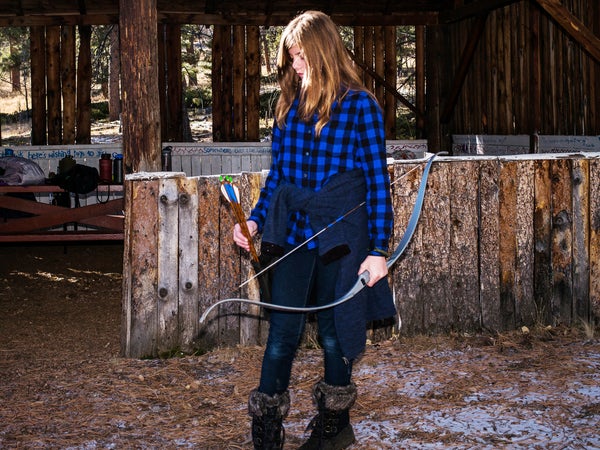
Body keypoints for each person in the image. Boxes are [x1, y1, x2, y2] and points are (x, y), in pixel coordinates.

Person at [233, 10, 396, 450]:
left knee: (333, 331)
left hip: (341, 238)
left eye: (301, 54)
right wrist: (254, 218)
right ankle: (266, 427)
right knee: (282, 333)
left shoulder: (360, 105)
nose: (294, 64)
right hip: (293, 234)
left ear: (322, 51)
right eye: (291, 55)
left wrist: (379, 249)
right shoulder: (287, 105)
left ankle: (334, 426)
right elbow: (278, 179)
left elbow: (376, 182)